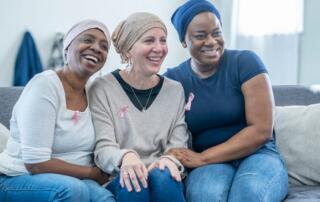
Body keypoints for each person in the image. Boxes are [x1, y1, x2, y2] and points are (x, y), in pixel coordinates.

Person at [165, 1, 289, 201]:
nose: (211, 41)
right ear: (183, 41)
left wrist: (201, 157)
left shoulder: (245, 62)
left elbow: (261, 130)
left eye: (217, 32)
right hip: (211, 165)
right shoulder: (174, 78)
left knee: (249, 194)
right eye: (200, 35)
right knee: (205, 196)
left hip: (258, 155)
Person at [0, 19, 115, 202]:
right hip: (17, 177)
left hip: (74, 179)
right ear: (67, 48)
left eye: (104, 46)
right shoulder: (44, 86)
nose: (96, 48)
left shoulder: (95, 91)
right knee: (73, 191)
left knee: (105, 199)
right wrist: (92, 173)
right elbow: (35, 163)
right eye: (88, 40)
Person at [89, 12, 188, 202]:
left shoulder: (175, 90)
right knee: (133, 181)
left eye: (163, 40)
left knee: (164, 176)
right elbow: (103, 148)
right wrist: (126, 158)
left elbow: (178, 145)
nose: (159, 48)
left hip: (162, 175)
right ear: (127, 50)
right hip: (120, 176)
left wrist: (169, 159)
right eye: (149, 40)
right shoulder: (102, 87)